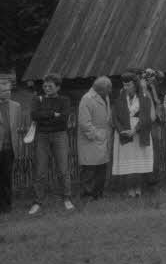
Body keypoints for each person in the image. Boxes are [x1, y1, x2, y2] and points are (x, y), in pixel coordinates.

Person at [29, 73, 74, 214]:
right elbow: (34, 116)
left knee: (63, 169)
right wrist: (52, 114)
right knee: (40, 170)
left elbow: (63, 119)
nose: (46, 88)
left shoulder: (64, 100)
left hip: (60, 135)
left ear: (58, 87)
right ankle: (38, 202)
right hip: (41, 136)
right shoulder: (38, 99)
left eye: (50, 86)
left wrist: (45, 116)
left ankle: (66, 199)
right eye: (45, 85)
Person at [111, 71, 155, 198]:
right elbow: (115, 117)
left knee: (138, 161)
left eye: (129, 85)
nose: (126, 88)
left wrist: (134, 130)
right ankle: (129, 188)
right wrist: (122, 131)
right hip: (124, 133)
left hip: (139, 132)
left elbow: (146, 117)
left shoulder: (144, 97)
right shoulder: (120, 98)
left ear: (135, 85)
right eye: (124, 85)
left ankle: (138, 187)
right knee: (128, 161)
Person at [76, 77, 114, 201]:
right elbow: (84, 123)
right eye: (109, 89)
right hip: (91, 140)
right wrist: (96, 135)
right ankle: (86, 195)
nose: (110, 91)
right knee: (89, 169)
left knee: (101, 168)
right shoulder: (86, 99)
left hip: (103, 137)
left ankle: (98, 193)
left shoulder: (105, 97)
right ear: (101, 90)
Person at [0, 78, 23, 213]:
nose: (7, 93)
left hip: (9, 149)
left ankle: (7, 206)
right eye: (3, 91)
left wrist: (19, 146)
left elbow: (18, 128)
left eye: (8, 90)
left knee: (7, 178)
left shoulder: (16, 106)